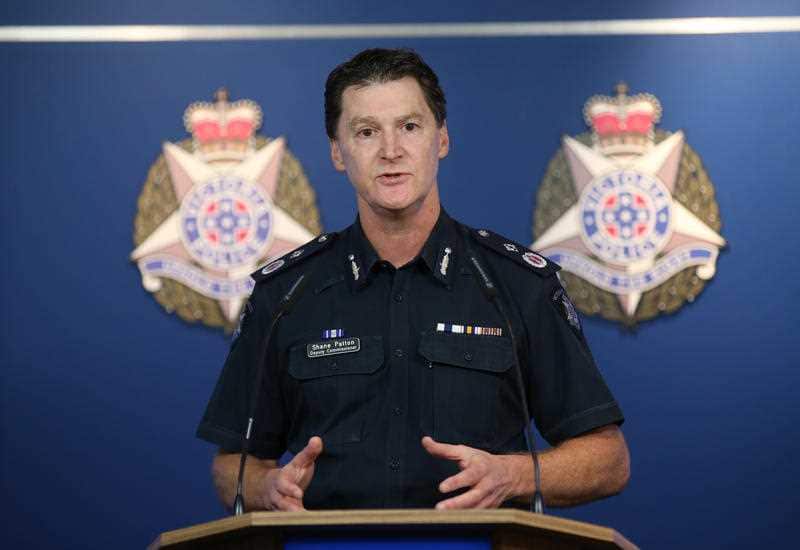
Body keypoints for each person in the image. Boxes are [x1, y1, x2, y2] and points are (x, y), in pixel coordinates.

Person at [197, 48, 629, 512]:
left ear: (441, 138)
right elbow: (231, 467)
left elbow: (609, 459)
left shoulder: (517, 285)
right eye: (366, 132)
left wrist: (513, 475)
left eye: (409, 126)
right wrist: (266, 488)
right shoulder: (285, 295)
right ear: (337, 152)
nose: (391, 151)